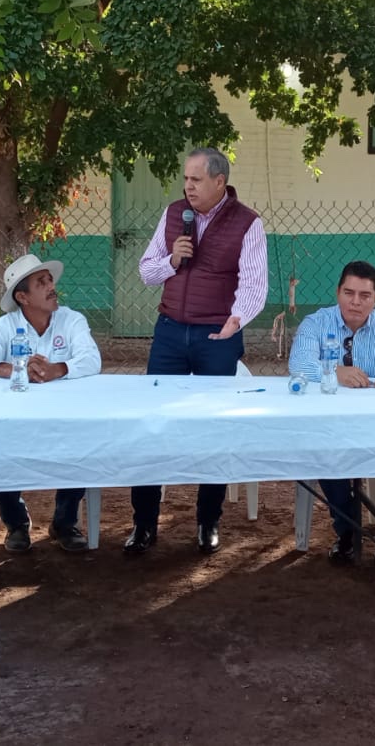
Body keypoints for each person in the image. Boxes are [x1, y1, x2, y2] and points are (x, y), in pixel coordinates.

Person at [127, 147, 268, 556]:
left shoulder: (247, 223)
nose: (188, 187)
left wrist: (236, 320)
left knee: (214, 428)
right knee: (153, 424)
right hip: (170, 333)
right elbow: (146, 271)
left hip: (217, 337)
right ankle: (144, 523)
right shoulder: (174, 215)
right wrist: (173, 260)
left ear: (219, 182)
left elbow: (254, 284)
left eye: (196, 180)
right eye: (185, 179)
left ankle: (208, 521)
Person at [288, 261, 375, 577]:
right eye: (349, 293)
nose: (356, 302)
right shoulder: (315, 323)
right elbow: (298, 365)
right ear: (338, 293)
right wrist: (334, 372)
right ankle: (348, 532)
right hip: (330, 425)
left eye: (365, 295)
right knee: (324, 455)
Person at [0, 254, 100, 553]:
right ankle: (16, 523)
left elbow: (92, 359)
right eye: (41, 283)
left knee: (82, 445)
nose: (52, 287)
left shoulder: (72, 319)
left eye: (50, 280)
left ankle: (64, 523)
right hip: (16, 417)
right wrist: (13, 369)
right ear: (22, 297)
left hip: (65, 417)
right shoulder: (6, 325)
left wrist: (57, 369)